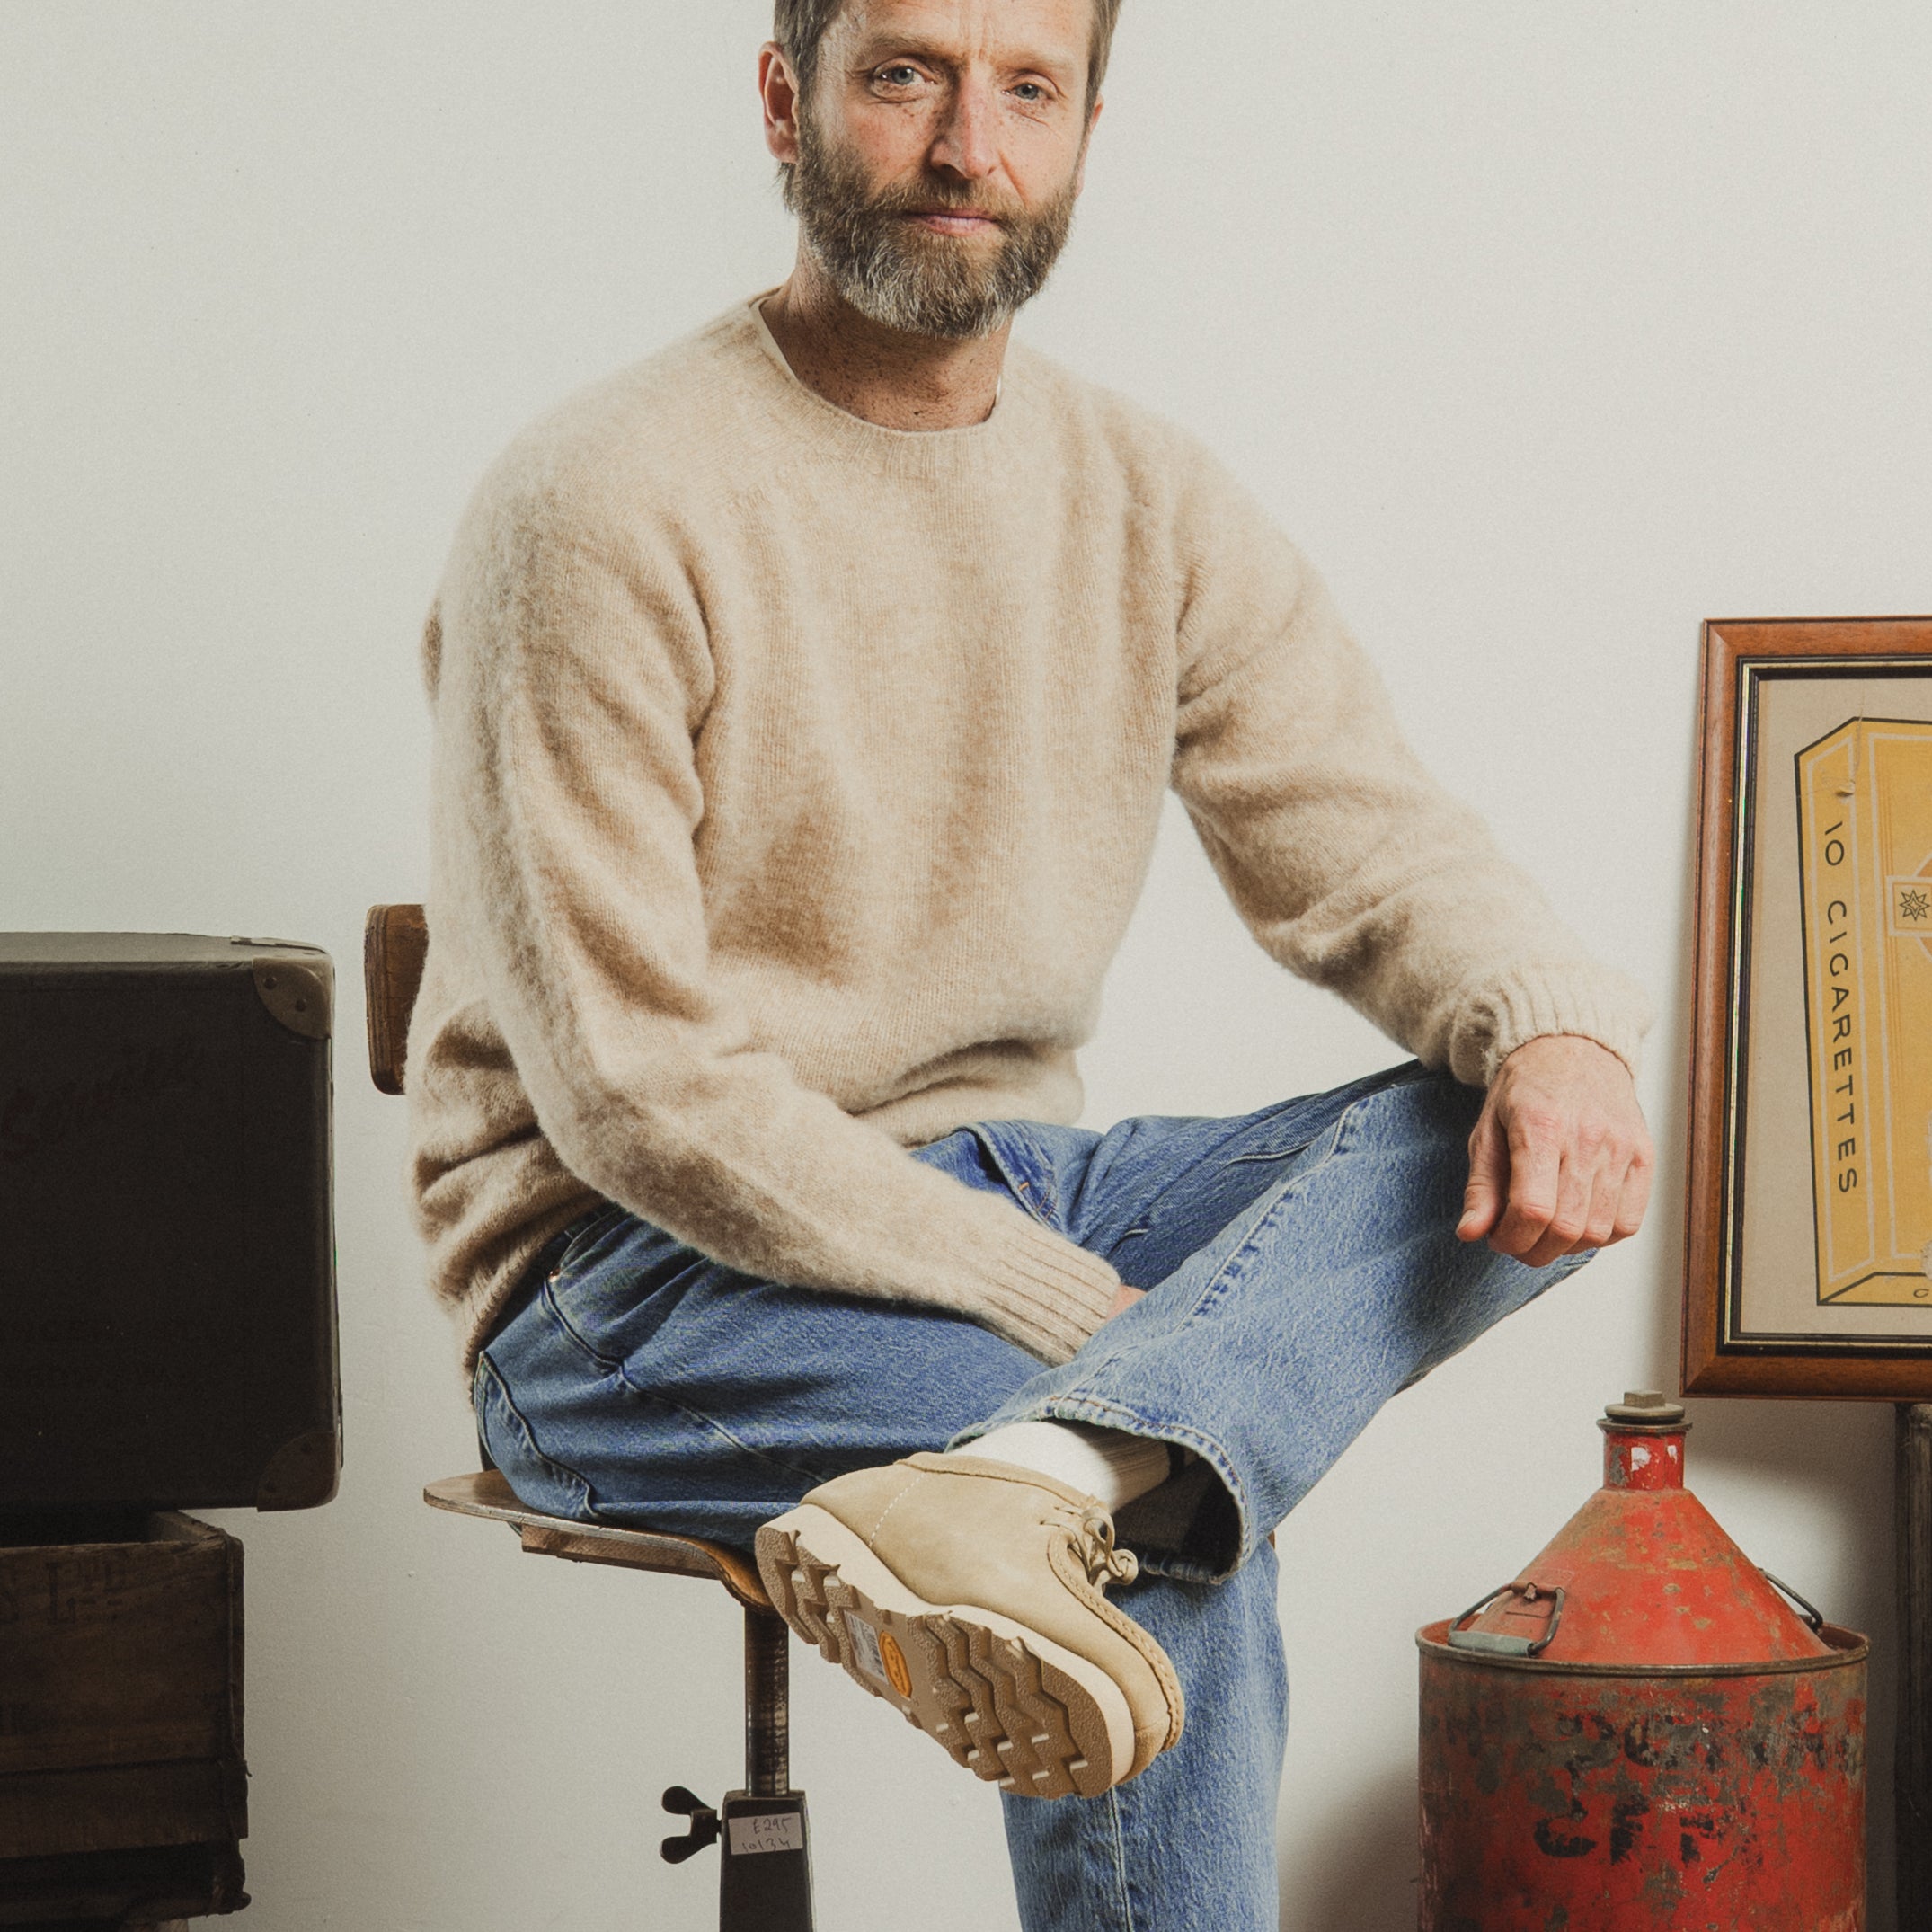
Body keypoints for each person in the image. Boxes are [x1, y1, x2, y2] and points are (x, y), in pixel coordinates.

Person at [406, 1, 1653, 1924]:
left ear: (1085, 125)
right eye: (903, 74)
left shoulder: (1146, 496)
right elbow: (635, 1089)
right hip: (629, 1276)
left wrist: (1558, 1036)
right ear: (786, 99)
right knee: (1177, 1515)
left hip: (1006, 1180)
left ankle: (1051, 1472)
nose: (966, 149)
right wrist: (1071, 1321)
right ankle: (1095, 1468)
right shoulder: (596, 500)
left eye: (1027, 89)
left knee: (1500, 1123)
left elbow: (1374, 844)